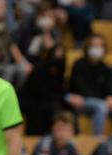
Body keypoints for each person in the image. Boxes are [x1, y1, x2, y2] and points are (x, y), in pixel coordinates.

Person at [66, 33, 112, 136]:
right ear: (88, 47)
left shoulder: (105, 67)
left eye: (100, 46)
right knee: (101, 106)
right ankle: (97, 138)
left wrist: (111, 97)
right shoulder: (79, 64)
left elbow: (109, 88)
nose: (97, 49)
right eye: (94, 46)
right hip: (82, 101)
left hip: (101, 101)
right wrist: (104, 99)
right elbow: (79, 88)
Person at [17, 4, 65, 135]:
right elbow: (14, 44)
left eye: (51, 17)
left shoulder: (53, 32)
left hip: (42, 75)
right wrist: (23, 62)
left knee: (51, 105)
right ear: (38, 16)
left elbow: (53, 51)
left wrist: (46, 31)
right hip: (24, 67)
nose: (48, 20)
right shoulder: (27, 26)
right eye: (46, 16)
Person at [0, 0, 31, 89]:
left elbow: (12, 47)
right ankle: (2, 96)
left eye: (3, 7)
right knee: (9, 70)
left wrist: (24, 64)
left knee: (22, 70)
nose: (0, 10)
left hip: (4, 62)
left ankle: (14, 95)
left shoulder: (6, 27)